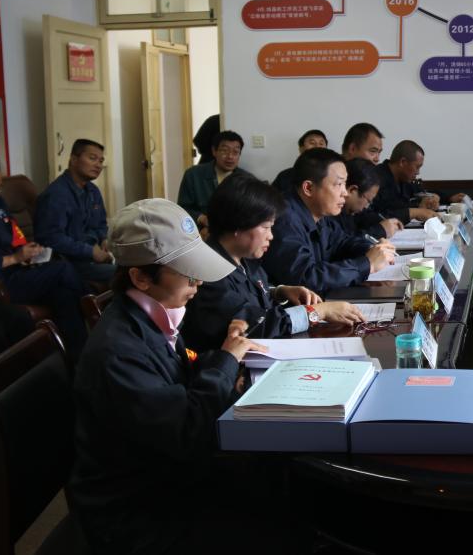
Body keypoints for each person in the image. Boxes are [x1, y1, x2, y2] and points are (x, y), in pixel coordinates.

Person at [69, 198, 304, 555]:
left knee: (281, 480)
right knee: (288, 516)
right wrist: (225, 363)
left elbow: (179, 372)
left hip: (167, 476)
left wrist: (226, 361)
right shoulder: (118, 352)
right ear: (141, 278)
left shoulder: (150, 316)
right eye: (186, 272)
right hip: (140, 512)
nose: (198, 282)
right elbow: (189, 431)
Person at [182, 174, 365, 353]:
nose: (271, 236)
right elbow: (256, 324)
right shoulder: (208, 274)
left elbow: (246, 295)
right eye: (266, 227)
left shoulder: (243, 258)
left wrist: (279, 292)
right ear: (237, 224)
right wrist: (317, 312)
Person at [262, 148, 395, 295]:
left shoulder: (319, 214)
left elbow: (343, 243)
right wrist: (367, 264)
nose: (345, 193)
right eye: (338, 184)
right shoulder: (283, 220)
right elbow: (307, 278)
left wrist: (372, 249)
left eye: (345, 184)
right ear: (308, 188)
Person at [0, 158, 87, 356]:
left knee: (63, 295)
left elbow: (14, 235)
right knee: (63, 269)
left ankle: (78, 358)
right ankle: (94, 312)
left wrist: (27, 251)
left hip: (21, 270)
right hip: (3, 282)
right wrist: (16, 258)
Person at [34, 138, 116, 284]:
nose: (98, 165)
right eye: (92, 158)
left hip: (94, 255)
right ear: (74, 159)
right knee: (126, 274)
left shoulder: (93, 190)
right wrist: (90, 251)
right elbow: (51, 238)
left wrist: (104, 239)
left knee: (137, 264)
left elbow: (100, 224)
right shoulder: (56, 195)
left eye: (101, 161)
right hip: (68, 261)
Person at [177, 130, 251, 228]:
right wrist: (202, 219)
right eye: (224, 151)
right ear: (214, 151)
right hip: (200, 230)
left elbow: (251, 213)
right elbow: (182, 208)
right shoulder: (193, 175)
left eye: (235, 152)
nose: (230, 156)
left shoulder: (247, 180)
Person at [373, 140, 440, 222]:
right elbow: (380, 214)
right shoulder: (375, 178)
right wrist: (414, 212)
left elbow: (421, 192)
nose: (418, 172)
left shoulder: (404, 178)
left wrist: (431, 198)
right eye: (417, 167)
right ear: (403, 162)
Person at [336, 158, 403, 239]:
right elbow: (346, 242)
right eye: (368, 201)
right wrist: (381, 230)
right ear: (352, 190)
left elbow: (364, 217)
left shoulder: (350, 211)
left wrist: (386, 222)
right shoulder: (332, 214)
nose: (366, 206)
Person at [272, 129, 329, 193]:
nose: (317, 146)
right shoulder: (285, 176)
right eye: (312, 143)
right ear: (301, 149)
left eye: (321, 144)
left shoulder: (332, 175)